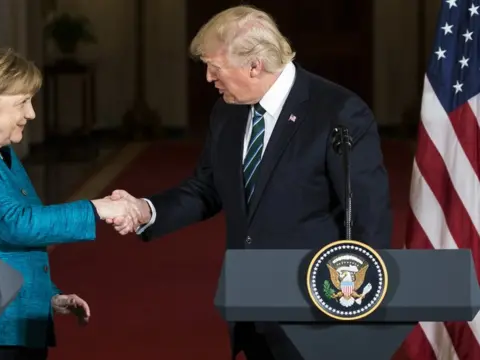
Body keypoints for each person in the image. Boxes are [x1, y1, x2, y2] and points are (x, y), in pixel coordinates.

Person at [105, 5, 392, 360]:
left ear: (255, 65)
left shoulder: (339, 112)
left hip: (317, 311)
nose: (209, 78)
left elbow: (369, 219)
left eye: (215, 66)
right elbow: (206, 188)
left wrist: (359, 312)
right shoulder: (227, 110)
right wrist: (144, 210)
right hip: (250, 305)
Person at [0, 46, 138, 360]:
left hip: (13, 325)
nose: (31, 113)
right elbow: (17, 223)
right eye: (22, 102)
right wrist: (98, 208)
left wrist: (44, 297)